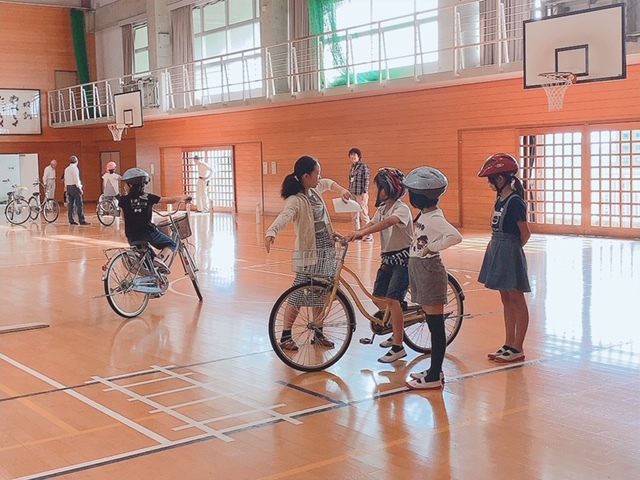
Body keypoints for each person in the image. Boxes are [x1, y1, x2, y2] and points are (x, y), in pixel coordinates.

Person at [265, 155, 351, 351]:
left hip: (326, 248)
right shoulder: (295, 200)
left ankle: (318, 333)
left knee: (320, 290)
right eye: (316, 173)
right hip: (309, 251)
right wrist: (271, 232)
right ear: (305, 176)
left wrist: (342, 190)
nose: (319, 177)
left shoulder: (315, 190)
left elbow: (328, 183)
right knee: (299, 291)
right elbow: (285, 216)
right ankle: (286, 335)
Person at [344, 167, 413, 363]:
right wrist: (354, 233)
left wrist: (363, 233)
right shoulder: (382, 209)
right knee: (378, 298)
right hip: (388, 259)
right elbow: (372, 223)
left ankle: (399, 346)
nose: (378, 191)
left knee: (392, 300)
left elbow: (387, 223)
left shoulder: (401, 209)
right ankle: (396, 325)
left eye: (381, 188)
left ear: (391, 189)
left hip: (404, 260)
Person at [403, 166, 463, 390]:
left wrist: (432, 248)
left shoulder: (435, 217)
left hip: (430, 270)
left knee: (436, 327)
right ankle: (433, 369)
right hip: (419, 269)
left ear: (419, 196)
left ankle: (435, 375)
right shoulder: (426, 215)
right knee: (431, 323)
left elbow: (455, 236)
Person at [477, 153, 531, 363]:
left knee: (517, 298)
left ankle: (518, 347)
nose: (489, 184)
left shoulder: (515, 201)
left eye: (491, 180)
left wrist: (512, 252)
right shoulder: (500, 198)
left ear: (500, 179)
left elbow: (525, 233)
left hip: (509, 250)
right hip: (497, 248)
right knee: (505, 298)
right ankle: (509, 343)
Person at [116, 167, 191, 274]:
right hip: (148, 233)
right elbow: (171, 200)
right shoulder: (149, 197)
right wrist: (184, 197)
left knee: (149, 264)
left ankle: (152, 282)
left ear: (131, 185)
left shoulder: (123, 200)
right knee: (172, 244)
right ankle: (160, 259)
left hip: (132, 236)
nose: (124, 186)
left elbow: (124, 218)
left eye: (126, 184)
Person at [347, 147, 373, 241]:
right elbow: (350, 181)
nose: (353, 156)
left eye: (354, 155)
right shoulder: (352, 167)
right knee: (354, 216)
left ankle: (369, 235)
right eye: (351, 155)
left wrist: (365, 192)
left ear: (359, 156)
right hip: (353, 193)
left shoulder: (363, 166)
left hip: (361, 193)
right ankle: (357, 234)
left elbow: (366, 180)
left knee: (363, 214)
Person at [64, 155, 90, 225]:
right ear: (76, 161)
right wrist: (80, 188)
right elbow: (76, 179)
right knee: (79, 204)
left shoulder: (66, 169)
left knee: (71, 204)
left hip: (69, 187)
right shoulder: (75, 168)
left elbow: (65, 179)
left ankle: (71, 220)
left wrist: (66, 187)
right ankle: (81, 220)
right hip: (75, 187)